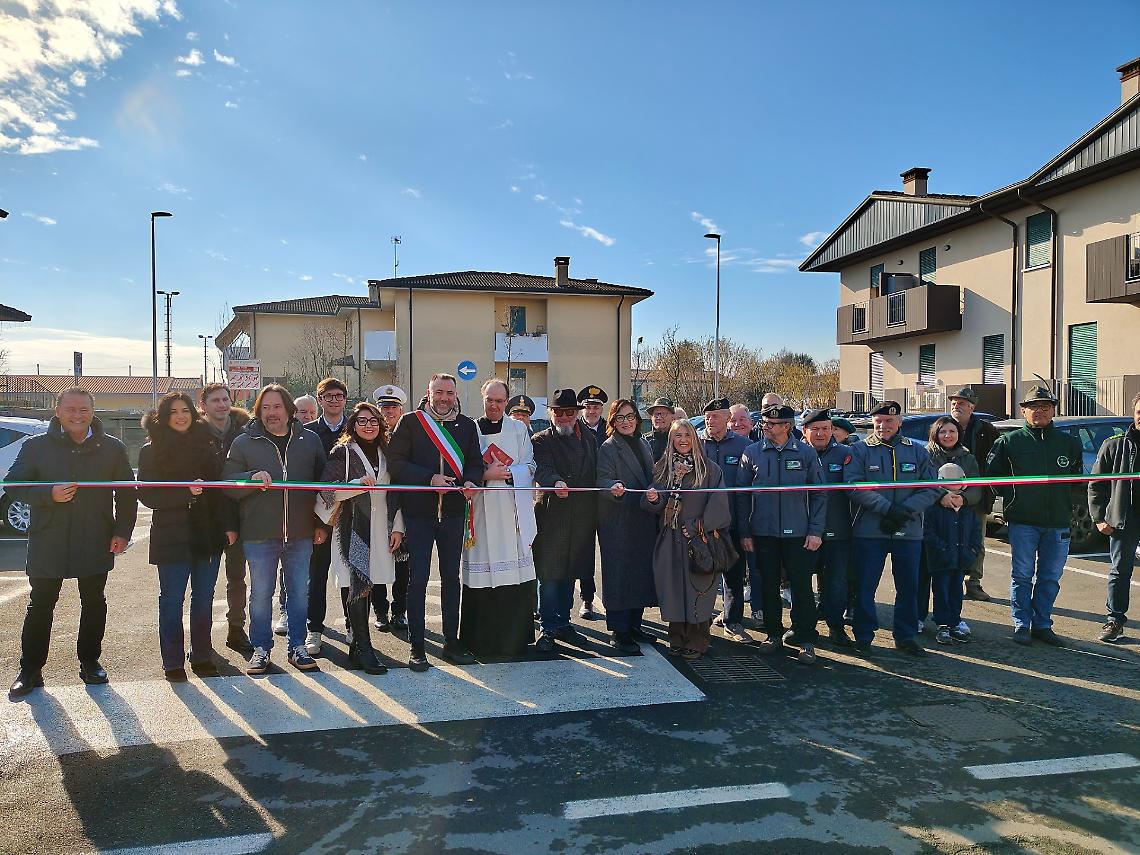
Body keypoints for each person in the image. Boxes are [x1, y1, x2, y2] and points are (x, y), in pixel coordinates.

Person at [6, 388, 137, 698]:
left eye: (83, 410)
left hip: (95, 538)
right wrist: (47, 494)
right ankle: (30, 669)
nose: (77, 415)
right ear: (57, 411)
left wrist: (122, 532)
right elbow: (12, 484)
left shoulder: (112, 448)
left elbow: (127, 493)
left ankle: (90, 662)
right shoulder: (36, 446)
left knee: (94, 603)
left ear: (93, 412)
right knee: (40, 605)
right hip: (48, 539)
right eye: (70, 410)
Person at [224, 384, 328, 674]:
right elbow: (227, 482)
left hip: (300, 532)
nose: (271, 413)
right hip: (259, 534)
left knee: (298, 593)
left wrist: (320, 524)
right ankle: (261, 649)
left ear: (289, 410)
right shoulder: (244, 442)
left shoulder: (310, 440)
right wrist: (250, 477)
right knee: (260, 594)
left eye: (277, 407)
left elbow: (323, 488)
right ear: (258, 411)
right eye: (265, 408)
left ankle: (297, 647)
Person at [387, 373, 484, 671]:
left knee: (451, 579)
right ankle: (417, 646)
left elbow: (475, 462)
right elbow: (396, 464)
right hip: (419, 515)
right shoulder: (411, 423)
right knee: (417, 580)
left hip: (453, 514)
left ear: (456, 395)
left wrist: (471, 481)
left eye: (449, 393)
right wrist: (429, 479)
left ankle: (451, 642)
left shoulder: (467, 426)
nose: (444, 398)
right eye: (438, 392)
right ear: (428, 393)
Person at [138, 392, 235, 681]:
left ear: (194, 413)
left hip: (208, 531)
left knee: (204, 597)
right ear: (164, 417)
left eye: (185, 410)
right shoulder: (151, 450)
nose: (181, 416)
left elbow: (222, 491)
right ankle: (172, 661)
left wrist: (228, 526)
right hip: (171, 534)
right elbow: (147, 494)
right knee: (171, 599)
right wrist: (184, 493)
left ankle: (202, 654)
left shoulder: (208, 445)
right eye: (174, 412)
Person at [987, 385, 1083, 646]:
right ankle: (1021, 624)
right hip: (1023, 522)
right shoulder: (1009, 441)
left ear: (1053, 410)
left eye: (1045, 407)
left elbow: (1076, 480)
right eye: (1033, 407)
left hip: (1058, 523)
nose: (1039, 411)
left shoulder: (1068, 443)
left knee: (1050, 577)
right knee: (1022, 575)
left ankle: (1042, 624)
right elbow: (993, 478)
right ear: (1023, 411)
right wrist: (1016, 498)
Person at [845, 401, 939, 657]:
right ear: (872, 422)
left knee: (908, 586)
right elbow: (853, 485)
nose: (883, 426)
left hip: (908, 530)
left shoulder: (918, 452)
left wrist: (904, 511)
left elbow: (932, 488)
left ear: (899, 423)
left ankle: (905, 635)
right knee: (865, 585)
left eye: (889, 421)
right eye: (879, 421)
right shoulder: (860, 450)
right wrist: (887, 509)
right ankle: (864, 635)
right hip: (870, 529)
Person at [317, 402, 404, 675]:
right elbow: (324, 491)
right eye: (362, 421)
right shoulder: (342, 453)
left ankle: (356, 642)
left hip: (381, 527)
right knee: (355, 582)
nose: (369, 426)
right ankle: (364, 647)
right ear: (353, 425)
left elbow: (398, 493)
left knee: (370, 582)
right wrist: (354, 486)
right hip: (352, 527)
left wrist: (398, 528)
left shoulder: (387, 453)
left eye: (374, 421)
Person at [737, 405, 825, 664]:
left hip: (798, 533)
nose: (765, 427)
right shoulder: (752, 452)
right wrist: (745, 531)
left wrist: (815, 530)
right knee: (767, 585)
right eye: (763, 422)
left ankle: (805, 638)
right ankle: (773, 634)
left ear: (787, 426)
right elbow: (741, 497)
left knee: (801, 587)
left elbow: (820, 494)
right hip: (763, 532)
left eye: (771, 424)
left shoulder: (806, 453)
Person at [459, 380, 538, 656]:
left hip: (510, 508)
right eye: (489, 400)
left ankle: (514, 638)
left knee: (513, 571)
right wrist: (483, 474)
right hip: (480, 510)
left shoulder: (518, 429)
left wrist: (508, 473)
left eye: (500, 401)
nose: (494, 405)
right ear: (482, 399)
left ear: (507, 402)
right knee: (481, 571)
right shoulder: (470, 429)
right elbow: (461, 467)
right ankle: (480, 639)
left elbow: (530, 465)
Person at [644, 418, 732, 659]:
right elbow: (657, 502)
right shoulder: (663, 468)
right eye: (677, 436)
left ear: (694, 438)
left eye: (687, 435)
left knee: (698, 588)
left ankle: (697, 639)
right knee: (672, 588)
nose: (682, 440)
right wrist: (654, 500)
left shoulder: (710, 469)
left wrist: (696, 527)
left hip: (699, 541)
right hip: (670, 539)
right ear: (671, 440)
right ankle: (676, 637)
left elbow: (720, 506)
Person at [532, 389, 599, 652]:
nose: (563, 417)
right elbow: (542, 468)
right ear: (551, 414)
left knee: (570, 574)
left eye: (569, 412)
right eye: (558, 412)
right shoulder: (541, 440)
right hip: (551, 517)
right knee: (548, 576)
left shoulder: (590, 439)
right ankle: (547, 628)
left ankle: (563, 623)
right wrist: (555, 481)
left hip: (581, 519)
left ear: (577, 414)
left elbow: (596, 472)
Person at [596, 399, 658, 654]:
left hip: (643, 518)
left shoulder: (643, 443)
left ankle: (634, 625)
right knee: (620, 576)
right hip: (618, 521)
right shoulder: (609, 447)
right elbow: (601, 478)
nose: (626, 421)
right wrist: (613, 487)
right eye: (620, 417)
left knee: (640, 575)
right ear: (612, 421)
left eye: (630, 416)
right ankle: (619, 632)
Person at [200, 383, 253, 654]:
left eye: (225, 399)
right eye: (215, 400)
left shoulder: (244, 432)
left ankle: (236, 629)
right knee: (203, 583)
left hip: (238, 513)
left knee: (237, 577)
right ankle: (202, 638)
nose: (221, 404)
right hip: (205, 516)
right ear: (204, 405)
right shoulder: (194, 434)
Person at [918, 416, 981, 637]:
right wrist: (941, 495)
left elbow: (976, 487)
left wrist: (962, 499)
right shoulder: (924, 455)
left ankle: (952, 618)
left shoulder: (968, 457)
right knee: (923, 575)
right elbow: (922, 482)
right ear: (935, 434)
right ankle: (918, 616)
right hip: (933, 513)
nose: (947, 435)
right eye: (943, 431)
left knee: (952, 580)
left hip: (960, 513)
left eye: (952, 431)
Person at [301, 377, 349, 655]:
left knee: (349, 574)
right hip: (319, 516)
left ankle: (353, 626)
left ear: (345, 399)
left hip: (350, 515)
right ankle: (314, 628)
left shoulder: (355, 428)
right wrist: (316, 521)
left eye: (338, 395)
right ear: (319, 400)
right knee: (316, 575)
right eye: (328, 396)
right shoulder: (306, 432)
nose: (333, 400)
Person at [699, 398, 752, 644]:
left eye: (715, 417)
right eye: (707, 417)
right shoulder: (697, 444)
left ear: (727, 419)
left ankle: (733, 621)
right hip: (702, 524)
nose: (710, 421)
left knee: (733, 576)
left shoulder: (745, 446)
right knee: (702, 574)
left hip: (732, 523)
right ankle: (700, 621)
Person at [1089, 392, 1140, 643]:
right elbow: (1095, 484)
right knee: (1120, 571)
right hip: (1125, 519)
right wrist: (1100, 517)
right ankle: (1115, 619)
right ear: (1134, 413)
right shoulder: (1115, 444)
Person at [801, 408, 854, 647]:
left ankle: (835, 625)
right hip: (803, 531)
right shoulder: (797, 453)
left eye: (825, 428)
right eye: (815, 429)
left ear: (832, 430)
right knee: (801, 580)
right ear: (805, 431)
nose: (821, 433)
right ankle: (804, 625)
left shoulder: (846, 454)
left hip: (837, 530)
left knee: (836, 582)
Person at [948, 386, 1000, 601]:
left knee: (976, 540)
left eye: (960, 403)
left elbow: (996, 460)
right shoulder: (944, 428)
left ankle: (974, 582)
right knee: (949, 538)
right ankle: (952, 581)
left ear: (972, 406)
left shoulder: (987, 430)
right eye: (953, 403)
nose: (956, 406)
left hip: (978, 495)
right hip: (947, 496)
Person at [371, 384, 410, 633]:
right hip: (378, 508)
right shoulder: (371, 435)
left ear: (400, 409)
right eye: (384, 407)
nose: (389, 412)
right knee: (377, 562)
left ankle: (399, 611)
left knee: (403, 565)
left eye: (393, 407)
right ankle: (381, 612)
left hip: (404, 507)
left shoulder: (410, 433)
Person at [575, 385, 607, 619]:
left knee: (611, 551)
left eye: (596, 406)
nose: (592, 410)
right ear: (582, 408)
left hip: (607, 501)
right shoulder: (574, 430)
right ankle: (587, 599)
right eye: (588, 406)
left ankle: (613, 597)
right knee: (584, 551)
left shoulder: (611, 430)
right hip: (584, 501)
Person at [644, 397, 676, 462]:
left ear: (672, 417)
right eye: (656, 414)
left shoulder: (677, 439)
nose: (659, 417)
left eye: (663, 414)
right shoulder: (644, 440)